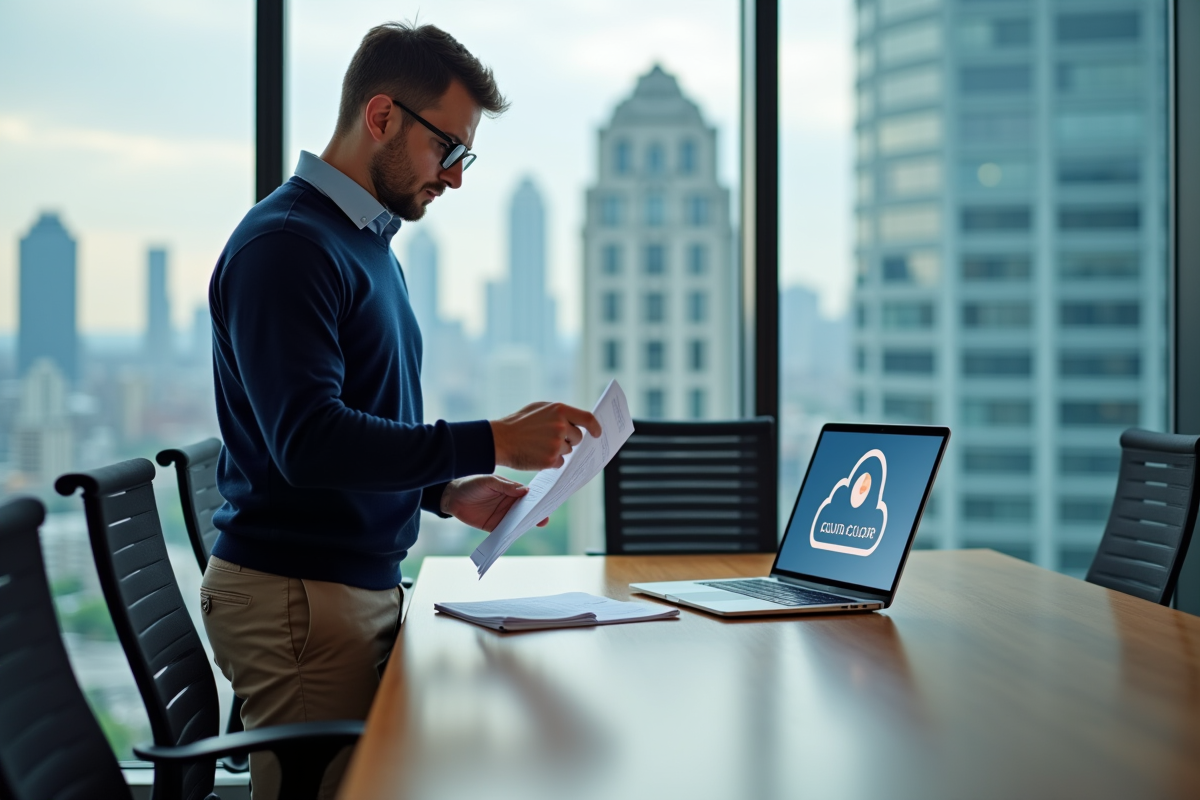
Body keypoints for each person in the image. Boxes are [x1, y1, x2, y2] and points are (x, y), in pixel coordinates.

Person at [201, 22, 600, 800]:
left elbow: (358, 420)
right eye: (446, 147)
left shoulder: (363, 243)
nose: (454, 177)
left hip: (345, 589)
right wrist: (491, 440)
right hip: (302, 600)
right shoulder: (289, 246)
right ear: (381, 116)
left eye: (464, 156)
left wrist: (441, 493)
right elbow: (310, 443)